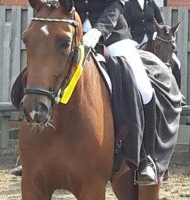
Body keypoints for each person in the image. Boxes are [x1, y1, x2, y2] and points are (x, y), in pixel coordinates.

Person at [11, 0, 158, 186]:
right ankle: (30, 157)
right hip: (70, 31)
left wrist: (99, 30)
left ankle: (146, 159)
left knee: (144, 88)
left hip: (113, 35)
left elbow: (117, 4)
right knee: (33, 80)